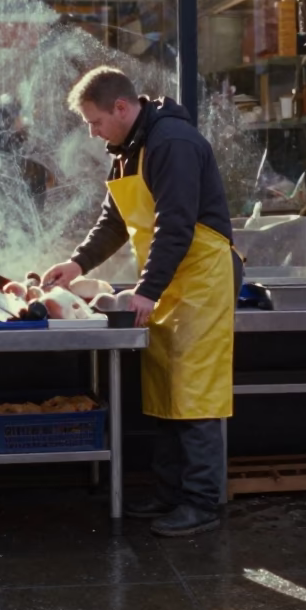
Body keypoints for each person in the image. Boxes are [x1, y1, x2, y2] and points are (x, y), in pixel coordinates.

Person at [42, 66, 242, 538]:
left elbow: (177, 225)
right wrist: (76, 265)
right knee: (165, 388)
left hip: (202, 279)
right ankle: (170, 493)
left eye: (95, 122)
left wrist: (148, 289)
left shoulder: (173, 143)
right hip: (172, 280)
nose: (93, 133)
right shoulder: (128, 150)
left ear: (121, 107)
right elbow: (114, 222)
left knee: (195, 394)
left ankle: (201, 502)